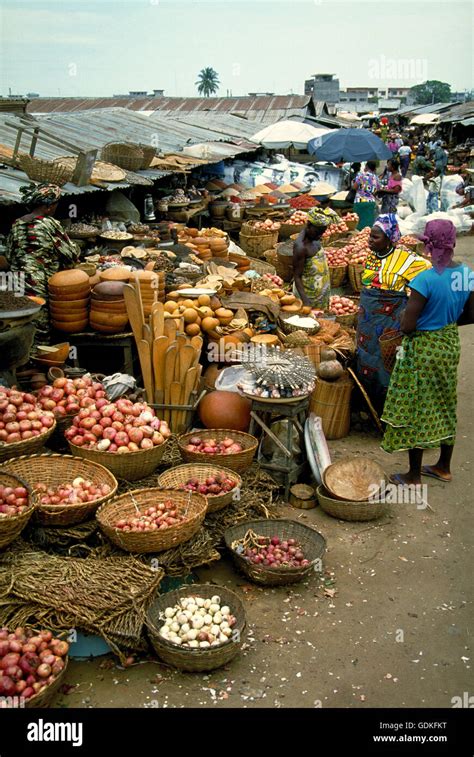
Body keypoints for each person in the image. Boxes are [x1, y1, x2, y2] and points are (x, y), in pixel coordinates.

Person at [381, 220, 474, 485]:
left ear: (428, 246)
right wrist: (444, 320)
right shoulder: (466, 275)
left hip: (423, 348)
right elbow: (471, 315)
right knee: (445, 401)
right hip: (448, 344)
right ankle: (443, 466)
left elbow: (408, 326)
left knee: (418, 405)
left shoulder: (424, 280)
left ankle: (412, 474)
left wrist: (408, 318)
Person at [355, 214, 431, 412]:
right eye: (370, 236)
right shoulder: (371, 256)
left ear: (390, 239)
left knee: (387, 363)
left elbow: (427, 278)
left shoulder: (406, 259)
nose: (370, 240)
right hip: (367, 321)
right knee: (365, 358)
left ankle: (387, 411)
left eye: (376, 237)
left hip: (389, 323)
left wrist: (409, 303)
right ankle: (368, 406)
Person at [4, 183, 79, 344]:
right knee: (40, 326)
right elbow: (69, 253)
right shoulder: (49, 223)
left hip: (16, 282)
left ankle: (21, 361)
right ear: (48, 206)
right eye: (54, 205)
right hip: (37, 282)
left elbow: (9, 255)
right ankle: (39, 362)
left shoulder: (17, 224)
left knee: (19, 324)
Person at [292, 207, 336, 311]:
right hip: (309, 296)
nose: (320, 236)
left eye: (322, 232)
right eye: (317, 232)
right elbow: (297, 276)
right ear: (309, 225)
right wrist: (306, 301)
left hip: (321, 294)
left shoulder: (314, 238)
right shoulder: (301, 247)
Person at [352, 161, 380, 229]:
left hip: (359, 201)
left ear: (366, 167)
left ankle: (358, 238)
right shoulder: (376, 178)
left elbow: (354, 187)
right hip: (370, 202)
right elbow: (377, 191)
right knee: (368, 225)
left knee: (358, 223)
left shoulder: (361, 175)